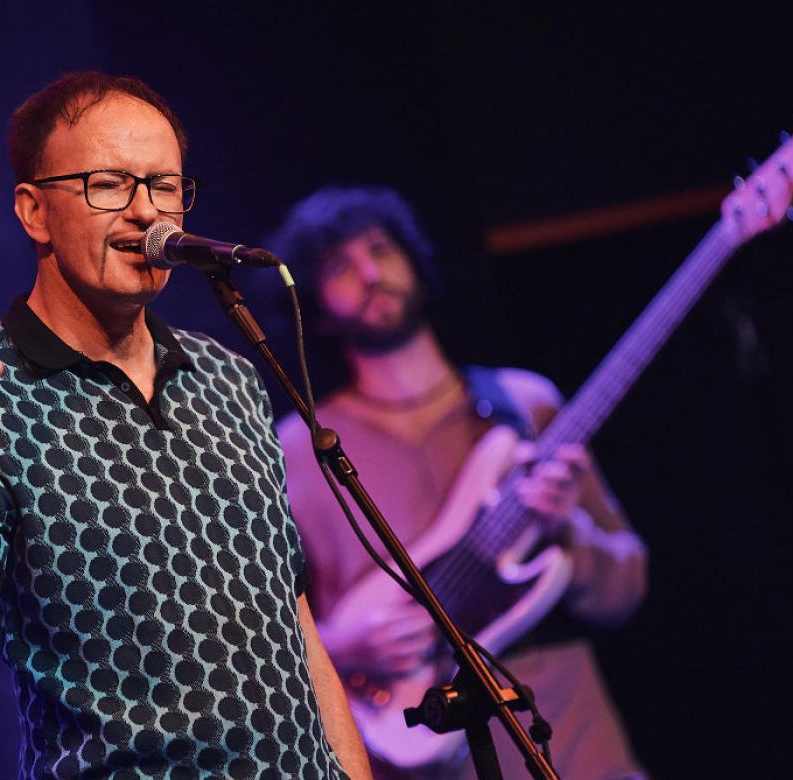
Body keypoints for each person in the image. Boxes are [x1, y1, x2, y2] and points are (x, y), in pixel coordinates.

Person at [0, 73, 372, 779]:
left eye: (164, 185)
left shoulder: (227, 379)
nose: (148, 213)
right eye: (109, 184)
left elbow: (292, 625)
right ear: (34, 212)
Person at [269, 187, 648, 780]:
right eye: (342, 266)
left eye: (380, 249)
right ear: (315, 305)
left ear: (415, 260)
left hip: (574, 734)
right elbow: (268, 629)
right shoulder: (295, 449)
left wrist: (569, 530)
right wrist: (341, 645)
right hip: (432, 748)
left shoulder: (525, 403)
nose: (371, 273)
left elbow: (627, 582)